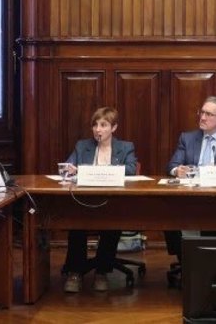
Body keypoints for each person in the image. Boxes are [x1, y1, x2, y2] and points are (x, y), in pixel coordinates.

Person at [61, 107, 137, 293]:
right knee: (76, 225)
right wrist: (70, 169)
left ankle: (102, 272)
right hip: (84, 201)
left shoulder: (125, 147)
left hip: (113, 202)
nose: (98, 129)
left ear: (114, 127)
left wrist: (101, 171)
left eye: (103, 125)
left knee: (111, 225)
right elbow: (69, 165)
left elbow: (131, 169)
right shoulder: (82, 146)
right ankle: (75, 272)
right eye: (95, 125)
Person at [165, 96, 216, 266]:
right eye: (202, 112)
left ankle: (211, 265)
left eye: (209, 114)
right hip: (188, 196)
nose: (202, 117)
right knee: (168, 215)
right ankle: (187, 263)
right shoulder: (187, 138)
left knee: (213, 218)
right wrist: (177, 170)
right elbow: (172, 165)